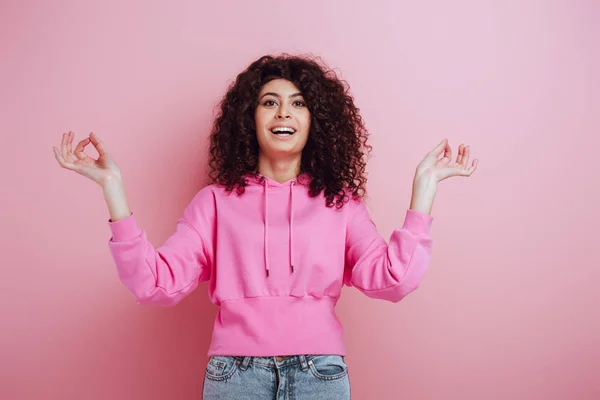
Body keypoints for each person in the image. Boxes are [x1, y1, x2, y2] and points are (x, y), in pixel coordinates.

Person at [53, 54, 478, 399]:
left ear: (316, 121)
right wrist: (113, 190)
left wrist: (423, 191)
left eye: (298, 102)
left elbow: (393, 280)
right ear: (249, 118)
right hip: (234, 377)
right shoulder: (215, 203)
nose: (283, 112)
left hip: (321, 376)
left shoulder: (339, 203)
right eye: (269, 101)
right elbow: (155, 283)